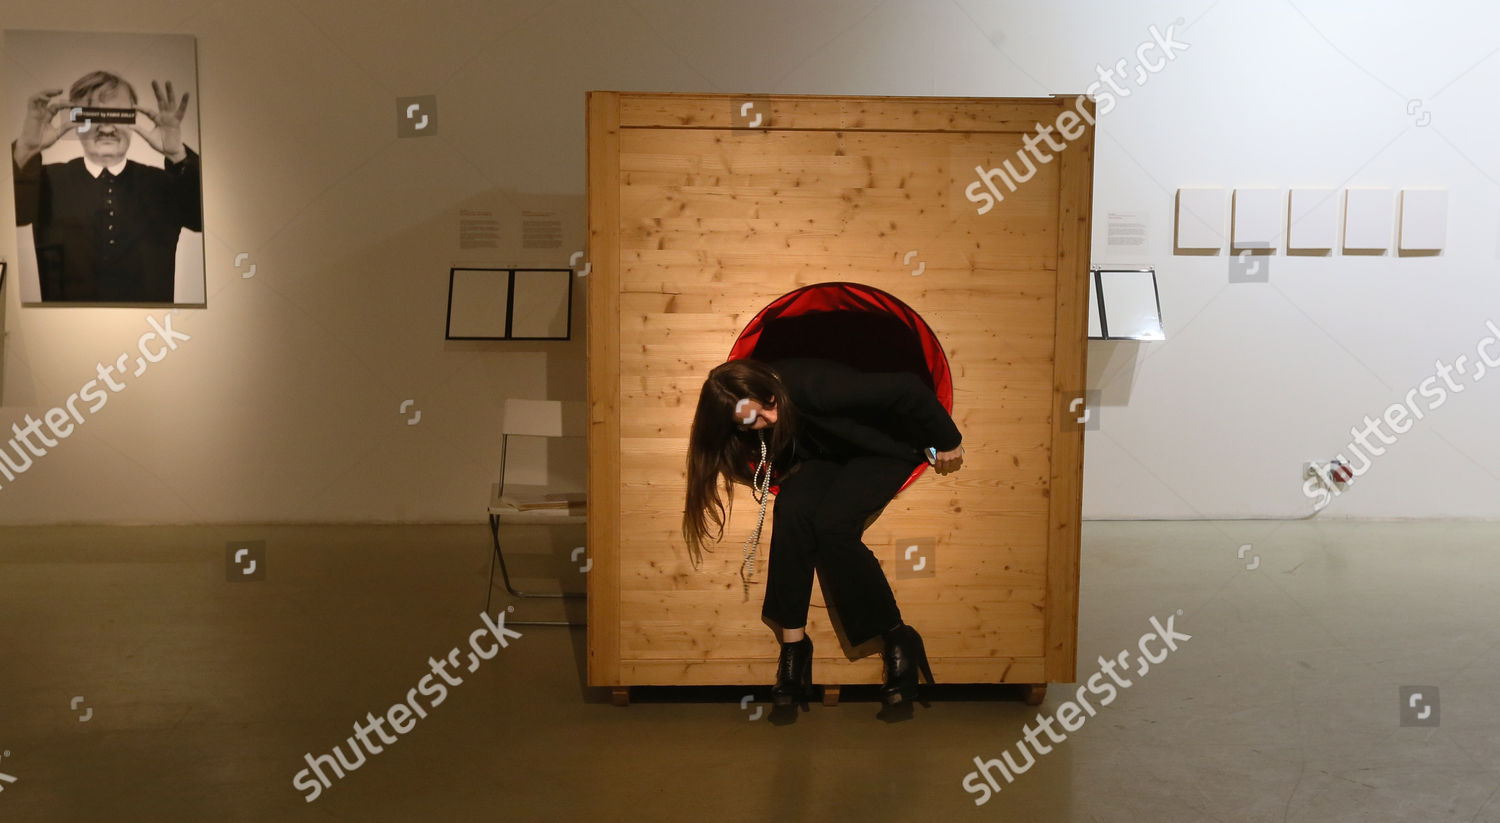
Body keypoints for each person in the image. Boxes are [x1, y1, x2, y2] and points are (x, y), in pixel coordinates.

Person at [681, 355, 965, 709]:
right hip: (831, 457)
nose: (770, 419)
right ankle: (794, 648)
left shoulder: (811, 384)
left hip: (882, 451)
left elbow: (906, 387)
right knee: (792, 508)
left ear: (767, 386)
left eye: (769, 404)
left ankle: (898, 638)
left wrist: (947, 439)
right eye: (753, 421)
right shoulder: (751, 415)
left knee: (833, 527)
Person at [11, 71, 201, 303]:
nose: (107, 127)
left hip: (148, 329)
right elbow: (15, 216)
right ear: (75, 122)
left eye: (118, 115)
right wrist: (27, 149)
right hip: (61, 331)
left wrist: (177, 155)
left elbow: (200, 220)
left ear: (132, 120)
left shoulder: (165, 183)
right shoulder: (45, 180)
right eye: (93, 116)